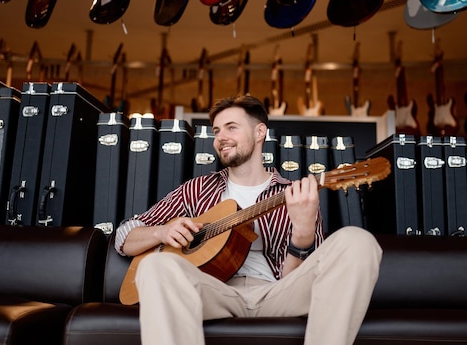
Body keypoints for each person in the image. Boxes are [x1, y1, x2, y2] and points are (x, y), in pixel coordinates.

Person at [115, 94, 382, 345]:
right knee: (155, 265)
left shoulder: (296, 194)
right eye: (217, 131)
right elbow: (124, 235)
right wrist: (161, 233)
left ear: (259, 132)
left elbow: (306, 282)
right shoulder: (196, 190)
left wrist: (302, 234)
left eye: (231, 127)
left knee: (358, 242)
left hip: (275, 294)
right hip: (212, 291)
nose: (221, 138)